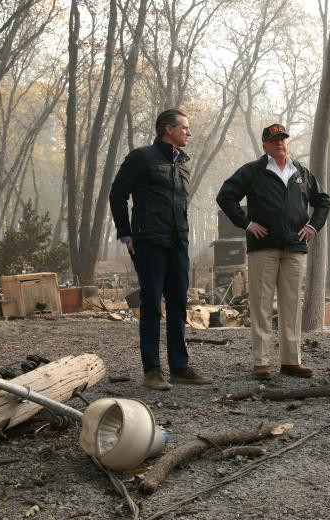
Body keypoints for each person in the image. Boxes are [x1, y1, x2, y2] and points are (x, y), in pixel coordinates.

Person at [216, 123, 330, 380]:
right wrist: (246, 223)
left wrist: (313, 226)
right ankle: (261, 362)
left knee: (292, 307)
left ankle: (291, 361)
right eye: (274, 140)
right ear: (265, 145)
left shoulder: (301, 172)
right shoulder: (253, 171)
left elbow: (322, 201)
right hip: (263, 248)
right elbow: (226, 196)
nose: (279, 143)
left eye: (283, 139)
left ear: (287, 142)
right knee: (261, 306)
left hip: (294, 248)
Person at [109, 108, 211, 390]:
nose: (189, 133)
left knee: (179, 304)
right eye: (185, 128)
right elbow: (117, 194)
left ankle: (179, 367)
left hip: (178, 242)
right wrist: (125, 234)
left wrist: (185, 236)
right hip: (148, 241)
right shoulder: (141, 157)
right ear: (168, 129)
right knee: (152, 305)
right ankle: (152, 370)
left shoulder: (183, 164)